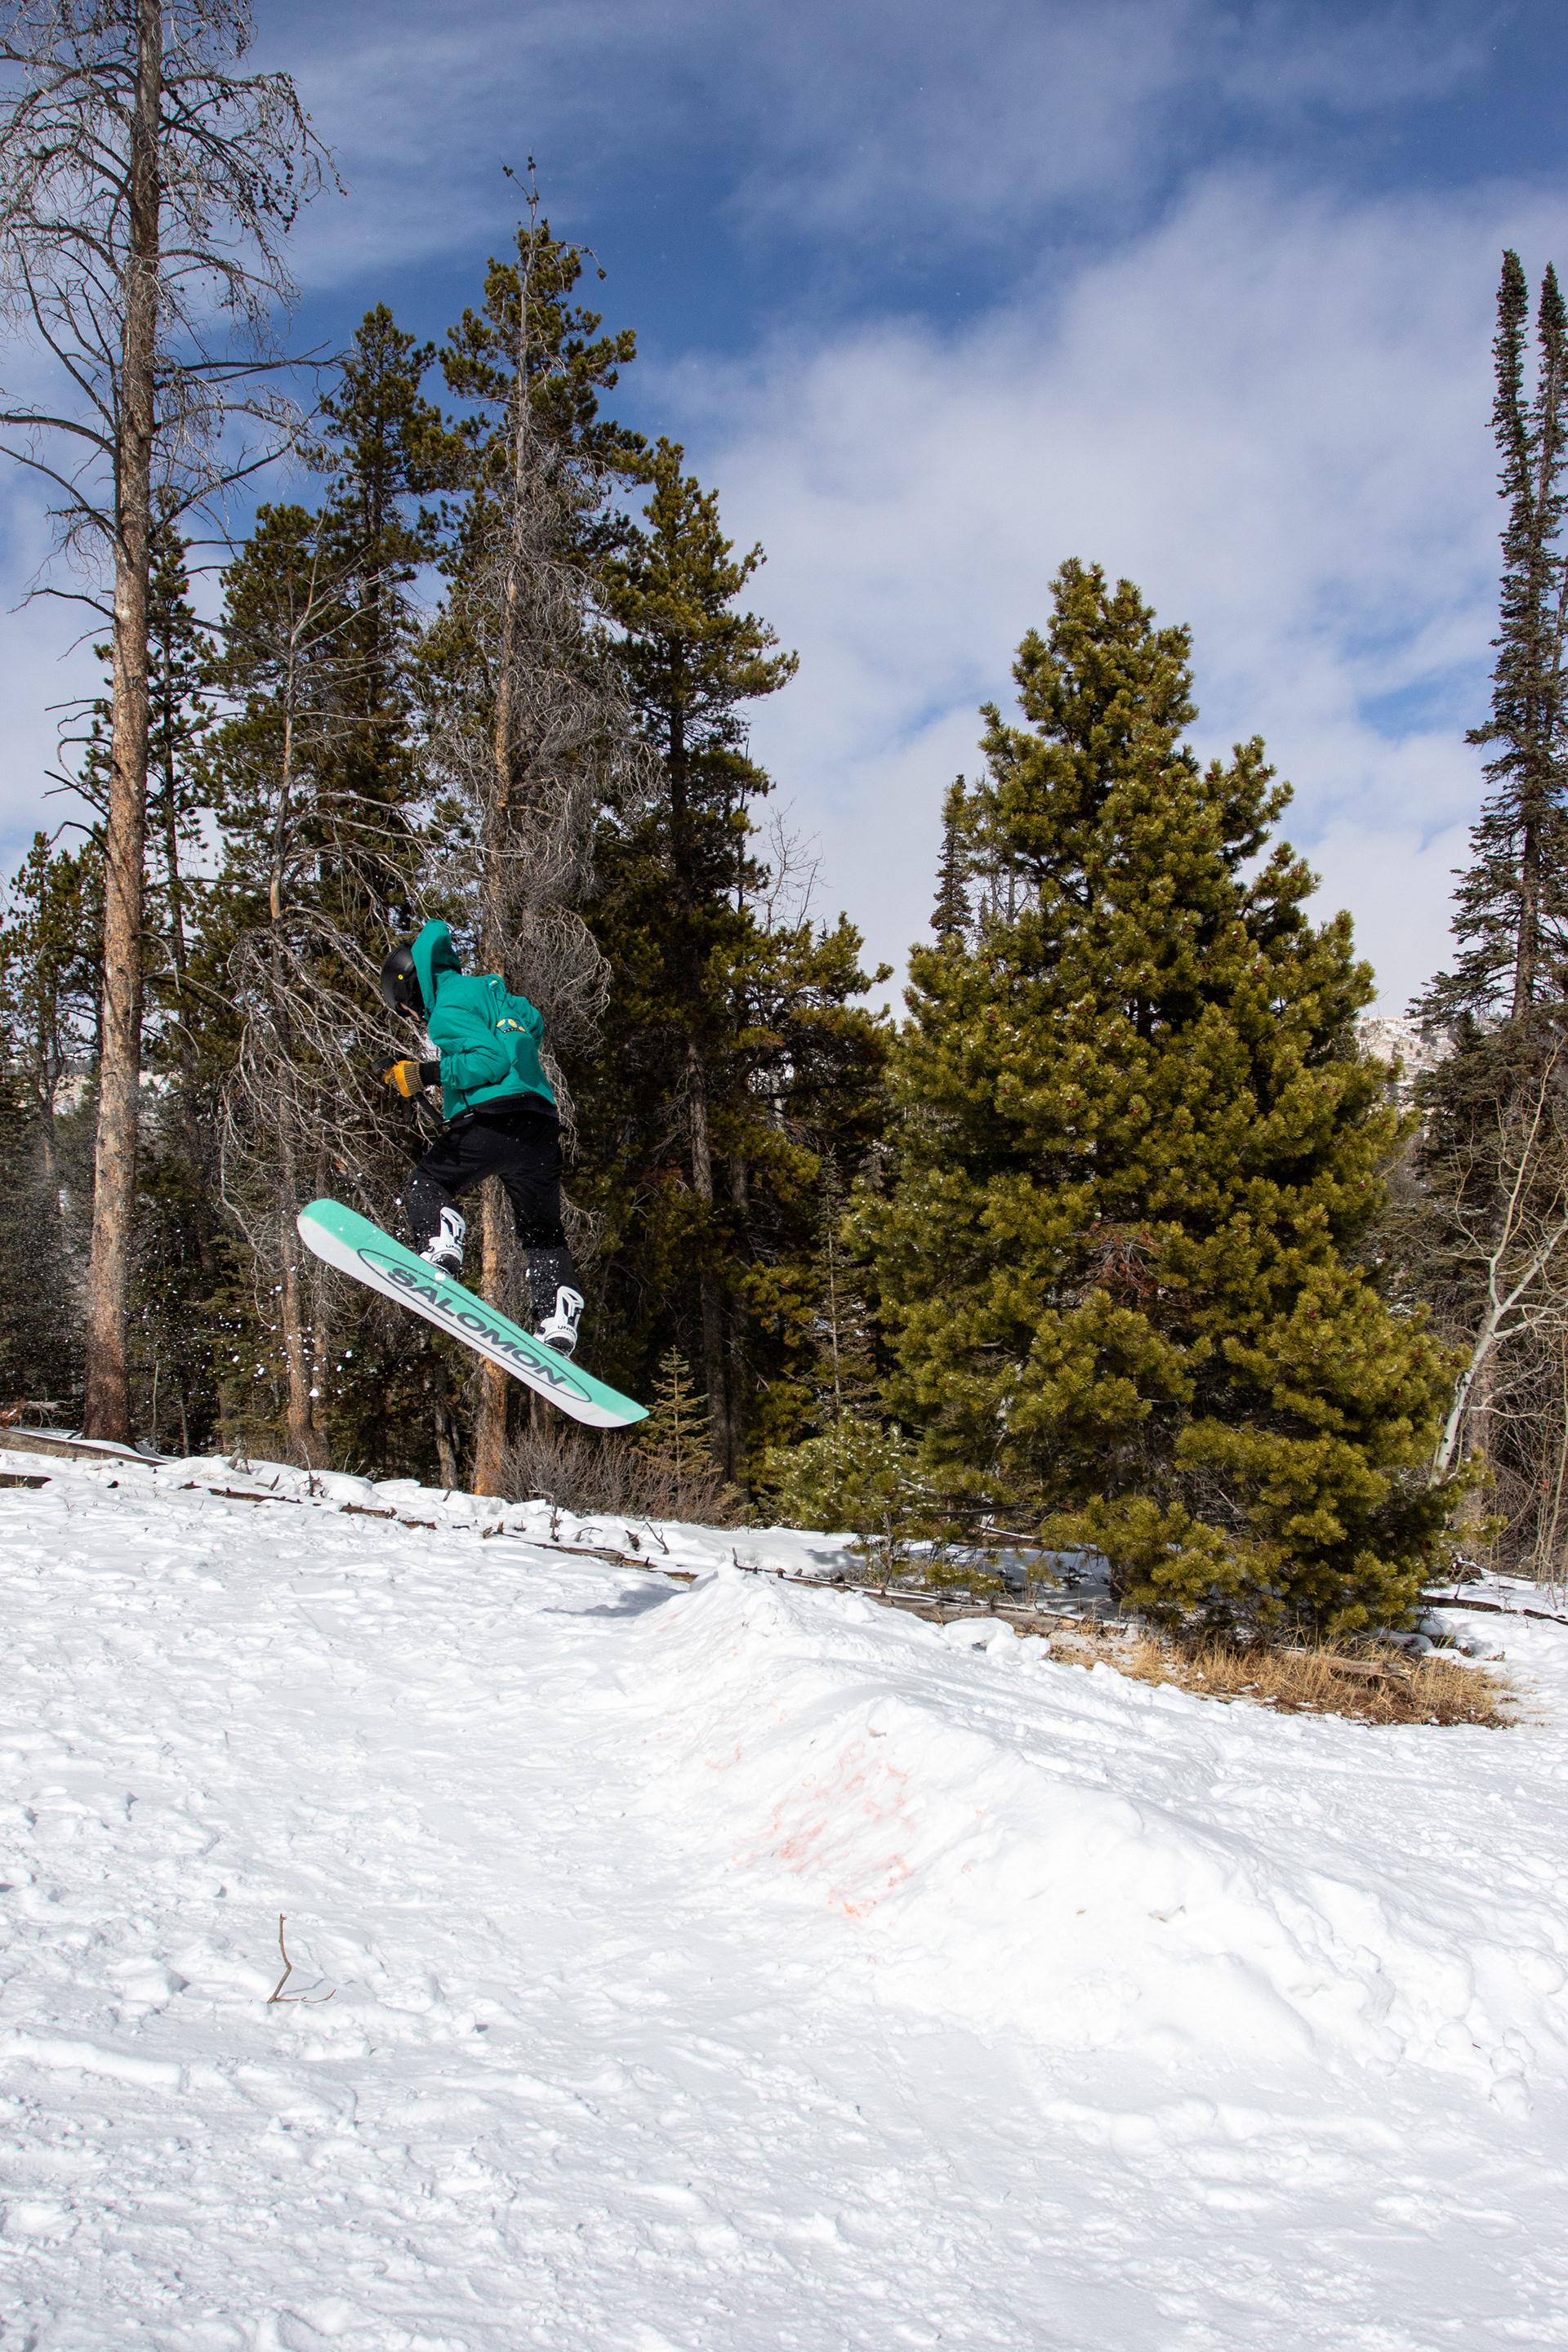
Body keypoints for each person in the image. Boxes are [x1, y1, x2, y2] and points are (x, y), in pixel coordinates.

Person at [376, 920, 584, 1357]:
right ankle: (558, 1315)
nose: (413, 1016)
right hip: (540, 1127)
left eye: (406, 1008)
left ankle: (441, 1242)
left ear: (410, 990)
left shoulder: (446, 1007)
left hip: (495, 1121)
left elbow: (488, 1062)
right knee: (542, 1230)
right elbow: (533, 1024)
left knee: (428, 1181)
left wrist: (426, 1073)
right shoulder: (492, 994)